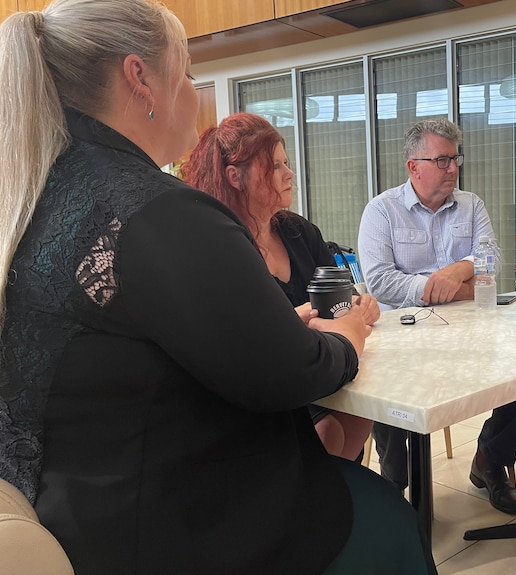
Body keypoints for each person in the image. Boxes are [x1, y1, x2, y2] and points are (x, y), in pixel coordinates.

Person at [0, 1, 436, 574]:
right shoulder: (160, 211)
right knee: (388, 517)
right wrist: (348, 332)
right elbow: (294, 374)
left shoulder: (38, 198)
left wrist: (288, 327)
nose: (195, 88)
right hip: (172, 527)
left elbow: (140, 346)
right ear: (141, 78)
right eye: (185, 71)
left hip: (75, 509)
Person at [358, 118, 516, 514]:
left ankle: (490, 459)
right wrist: (437, 287)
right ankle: (395, 488)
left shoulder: (471, 204)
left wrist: (455, 272)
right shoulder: (382, 211)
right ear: (414, 166)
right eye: (442, 160)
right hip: (402, 337)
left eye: (455, 159)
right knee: (382, 383)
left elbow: (490, 261)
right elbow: (379, 282)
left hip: (474, 329)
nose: (453, 168)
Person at [182, 112, 378, 461]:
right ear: (235, 176)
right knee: (328, 432)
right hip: (268, 392)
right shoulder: (224, 247)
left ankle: (334, 496)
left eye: (286, 163)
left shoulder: (299, 232)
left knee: (357, 415)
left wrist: (359, 306)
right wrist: (292, 320)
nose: (289, 174)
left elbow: (342, 296)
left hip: (325, 369)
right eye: (274, 166)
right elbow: (236, 344)